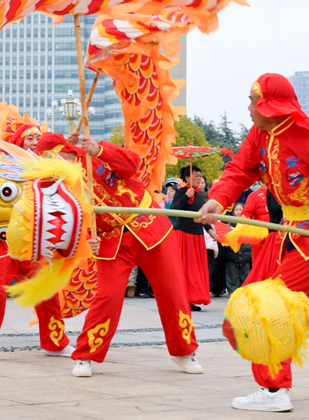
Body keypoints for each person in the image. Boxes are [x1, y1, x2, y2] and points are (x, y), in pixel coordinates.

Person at [198, 73, 309, 412]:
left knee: (265, 306)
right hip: (290, 233)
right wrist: (217, 200)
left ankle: (273, 391)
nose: (249, 108)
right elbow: (239, 169)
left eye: (253, 102)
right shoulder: (260, 134)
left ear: (270, 106)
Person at [34, 133, 201, 378]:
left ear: (64, 150)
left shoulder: (96, 152)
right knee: (107, 297)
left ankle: (185, 352)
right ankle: (85, 355)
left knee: (172, 291)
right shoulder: (57, 187)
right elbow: (72, 221)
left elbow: (132, 164)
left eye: (52, 157)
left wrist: (100, 150)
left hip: (149, 225)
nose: (52, 165)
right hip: (111, 240)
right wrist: (87, 240)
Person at [0, 125, 75, 362]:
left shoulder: (46, 169)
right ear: (18, 142)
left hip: (31, 243)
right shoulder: (0, 166)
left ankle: (55, 343)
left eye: (37, 138)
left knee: (46, 292)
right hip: (2, 242)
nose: (34, 142)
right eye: (29, 138)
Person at [171, 165, 218, 310]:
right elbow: (173, 210)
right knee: (184, 268)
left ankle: (193, 298)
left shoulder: (200, 195)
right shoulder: (182, 192)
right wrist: (186, 196)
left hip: (197, 236)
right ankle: (183, 298)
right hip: (183, 235)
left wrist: (210, 230)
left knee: (195, 268)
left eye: (200, 175)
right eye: (195, 175)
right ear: (187, 178)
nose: (199, 178)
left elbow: (202, 215)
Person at [224, 203, 252, 295]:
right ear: (233, 212)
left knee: (245, 272)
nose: (239, 212)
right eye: (237, 210)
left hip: (246, 252)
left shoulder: (249, 223)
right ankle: (232, 290)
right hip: (232, 252)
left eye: (241, 210)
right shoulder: (230, 222)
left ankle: (243, 289)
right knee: (232, 272)